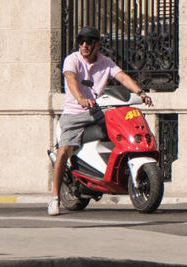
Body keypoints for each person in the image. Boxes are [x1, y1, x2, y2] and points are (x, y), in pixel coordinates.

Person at [50, 26, 152, 216]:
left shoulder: (105, 62)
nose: (84, 45)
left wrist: (140, 92)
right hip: (73, 114)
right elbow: (70, 79)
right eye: (81, 41)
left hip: (96, 112)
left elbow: (121, 76)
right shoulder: (72, 60)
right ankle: (55, 198)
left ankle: (110, 173)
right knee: (64, 151)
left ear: (97, 44)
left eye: (89, 41)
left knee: (121, 129)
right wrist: (80, 98)